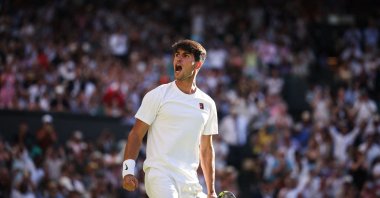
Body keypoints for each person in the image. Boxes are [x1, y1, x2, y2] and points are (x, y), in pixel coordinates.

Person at [121, 39, 218, 198]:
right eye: (177, 55)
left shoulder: (208, 104)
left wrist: (212, 191)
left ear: (197, 65)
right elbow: (136, 135)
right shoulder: (157, 95)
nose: (178, 59)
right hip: (160, 175)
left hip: (190, 181)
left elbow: (207, 149)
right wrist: (127, 171)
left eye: (185, 55)